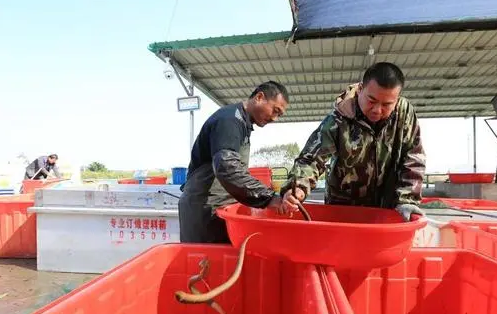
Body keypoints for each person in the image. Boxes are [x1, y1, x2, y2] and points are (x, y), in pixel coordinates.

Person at [279, 62, 426, 221]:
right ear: (361, 89)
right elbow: (313, 158)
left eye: (386, 104)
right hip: (344, 207)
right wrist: (298, 188)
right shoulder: (339, 118)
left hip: (388, 207)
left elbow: (413, 157)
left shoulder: (404, 114)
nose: (377, 110)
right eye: (371, 100)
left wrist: (407, 200)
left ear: (397, 100)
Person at [178, 81, 290, 243]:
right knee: (205, 264)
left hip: (219, 207)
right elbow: (227, 167)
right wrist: (269, 198)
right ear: (259, 97)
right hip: (205, 209)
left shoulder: (243, 123)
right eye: (275, 110)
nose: (275, 118)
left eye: (279, 115)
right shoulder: (229, 120)